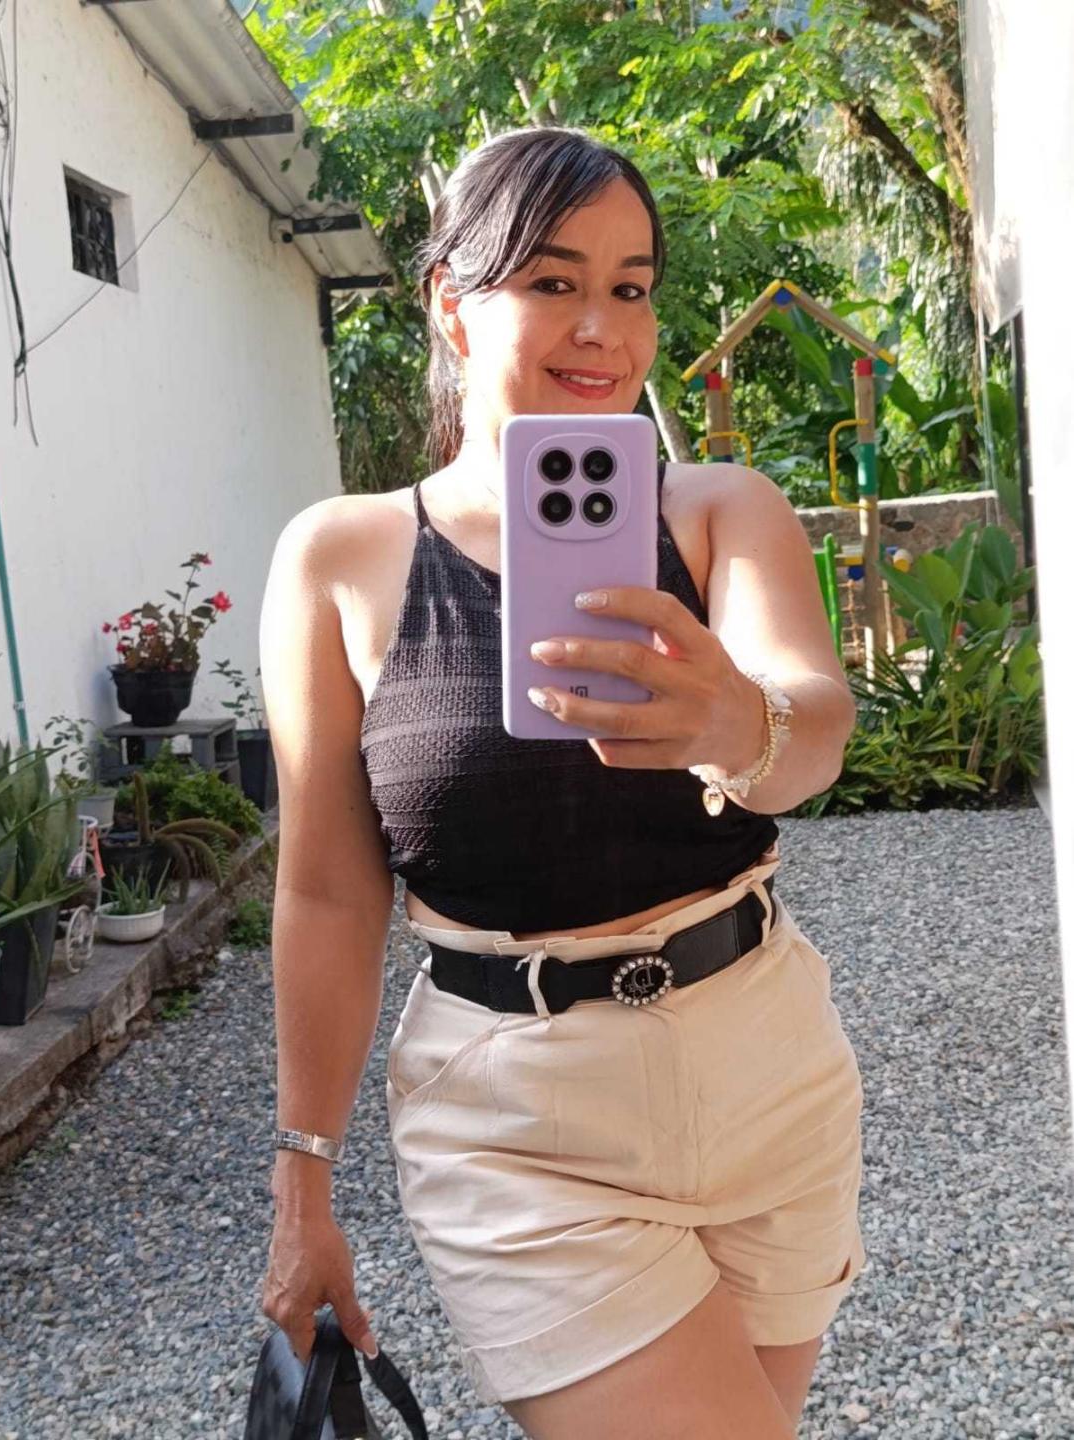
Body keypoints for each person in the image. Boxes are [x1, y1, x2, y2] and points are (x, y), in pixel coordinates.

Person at [259, 125, 866, 1440]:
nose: (603, 327)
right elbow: (326, 896)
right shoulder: (343, 560)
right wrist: (304, 1177)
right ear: (452, 302)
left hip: (767, 1076)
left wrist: (740, 722)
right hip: (516, 1126)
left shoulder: (721, 511)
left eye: (630, 286)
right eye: (552, 280)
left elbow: (817, 729)